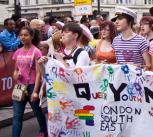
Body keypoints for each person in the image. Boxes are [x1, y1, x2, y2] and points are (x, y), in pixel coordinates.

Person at [12, 27, 47, 137]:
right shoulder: (17, 52)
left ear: (31, 36)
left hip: (32, 86)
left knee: (37, 111)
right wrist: (15, 75)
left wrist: (36, 91)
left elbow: (38, 73)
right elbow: (15, 69)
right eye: (21, 35)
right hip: (19, 87)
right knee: (17, 115)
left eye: (26, 35)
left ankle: (44, 130)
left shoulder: (36, 52)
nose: (23, 37)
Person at [111, 6, 151, 70]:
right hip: (119, 78)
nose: (116, 22)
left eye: (120, 18)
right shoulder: (115, 40)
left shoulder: (141, 41)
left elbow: (148, 65)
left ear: (130, 21)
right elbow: (118, 62)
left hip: (136, 79)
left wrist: (134, 66)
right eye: (116, 19)